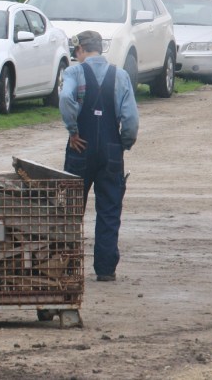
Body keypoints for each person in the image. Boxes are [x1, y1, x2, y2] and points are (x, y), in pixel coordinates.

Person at [60, 30, 139, 282]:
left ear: (81, 50)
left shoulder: (74, 72)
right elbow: (130, 119)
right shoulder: (121, 76)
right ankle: (105, 270)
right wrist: (122, 143)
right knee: (109, 209)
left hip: (80, 147)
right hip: (111, 150)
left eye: (77, 52)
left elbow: (65, 98)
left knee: (71, 211)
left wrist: (73, 130)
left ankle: (67, 267)